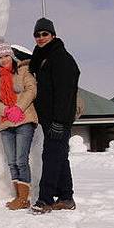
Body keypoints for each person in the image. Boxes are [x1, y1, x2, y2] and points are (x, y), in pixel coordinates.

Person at [28, 18, 80, 214]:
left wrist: (59, 121)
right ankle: (66, 197)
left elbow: (65, 93)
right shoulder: (42, 57)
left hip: (59, 119)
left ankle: (45, 199)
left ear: (53, 35)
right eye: (37, 35)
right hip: (48, 118)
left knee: (50, 157)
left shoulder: (61, 58)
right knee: (59, 157)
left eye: (45, 34)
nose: (40, 38)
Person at [0, 37, 38, 210]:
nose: (3, 60)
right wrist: (6, 111)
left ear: (11, 55)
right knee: (12, 162)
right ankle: (19, 197)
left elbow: (31, 89)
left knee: (21, 160)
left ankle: (25, 198)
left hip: (24, 120)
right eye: (0, 57)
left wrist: (18, 107)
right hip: (6, 122)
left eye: (6, 56)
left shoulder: (23, 70)